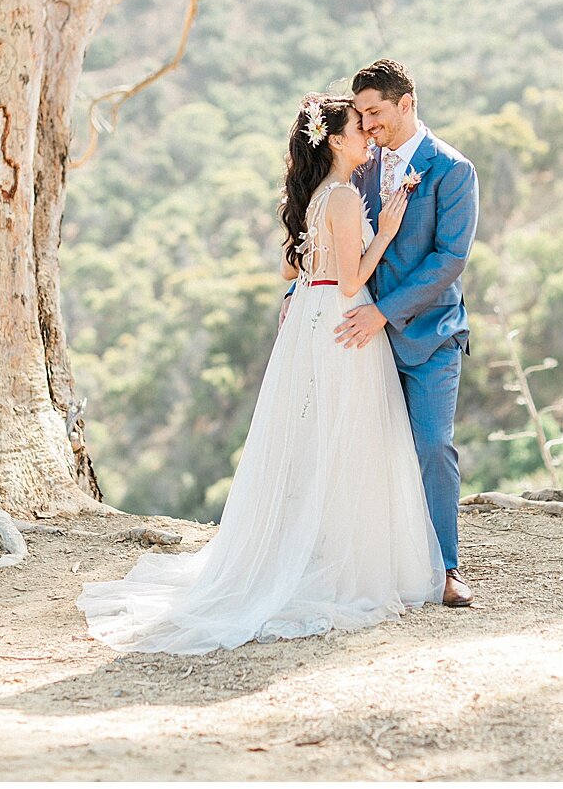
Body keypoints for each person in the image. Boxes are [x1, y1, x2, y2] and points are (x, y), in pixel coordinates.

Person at [77, 94, 443, 654]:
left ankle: (312, 543)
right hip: (343, 319)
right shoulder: (343, 198)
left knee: (313, 436)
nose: (368, 134)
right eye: (357, 128)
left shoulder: (315, 197)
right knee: (348, 436)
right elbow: (351, 282)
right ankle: (339, 557)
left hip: (309, 319)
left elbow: (289, 266)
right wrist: (387, 230)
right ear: (337, 141)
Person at [338, 59, 479, 607]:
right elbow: (335, 235)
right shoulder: (359, 165)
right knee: (364, 448)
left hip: (431, 334)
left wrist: (385, 311)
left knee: (432, 445)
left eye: (375, 112)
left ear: (406, 103)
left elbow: (450, 259)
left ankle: (446, 566)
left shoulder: (452, 169)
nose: (368, 124)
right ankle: (375, 565)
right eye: (361, 115)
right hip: (364, 336)